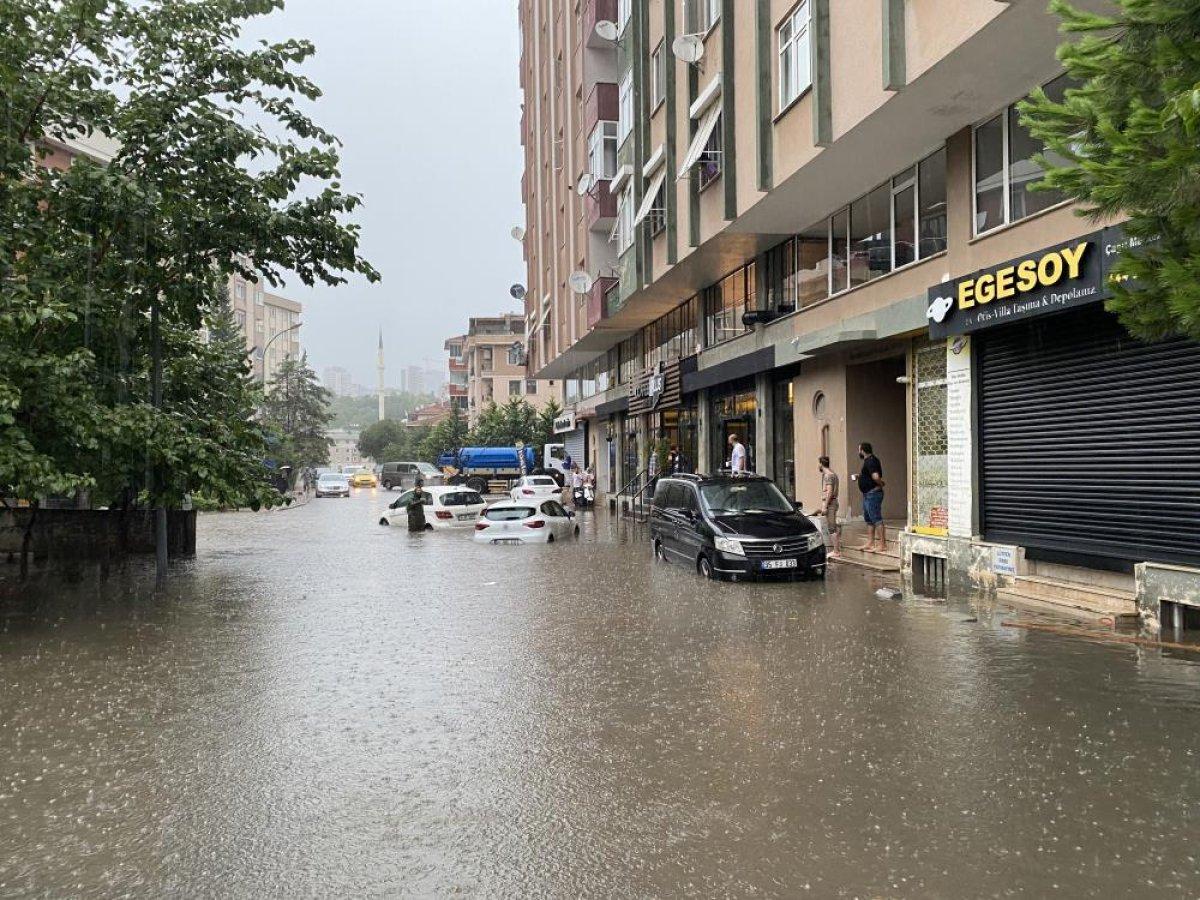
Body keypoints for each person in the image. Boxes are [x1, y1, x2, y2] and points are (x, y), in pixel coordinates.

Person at [853, 442, 886, 551]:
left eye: (859, 450)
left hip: (873, 494)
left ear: (862, 450)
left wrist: (880, 484)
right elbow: (870, 475)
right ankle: (870, 542)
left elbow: (875, 476)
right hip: (867, 494)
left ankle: (882, 545)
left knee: (876, 518)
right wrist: (860, 476)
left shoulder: (871, 461)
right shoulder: (868, 461)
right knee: (869, 519)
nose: (858, 452)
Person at [814, 455, 841, 556]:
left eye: (818, 464)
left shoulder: (828, 476)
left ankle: (836, 551)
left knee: (831, 527)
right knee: (833, 526)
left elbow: (829, 492)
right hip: (833, 502)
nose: (818, 466)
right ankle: (837, 548)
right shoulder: (834, 474)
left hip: (830, 504)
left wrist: (825, 506)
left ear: (821, 464)